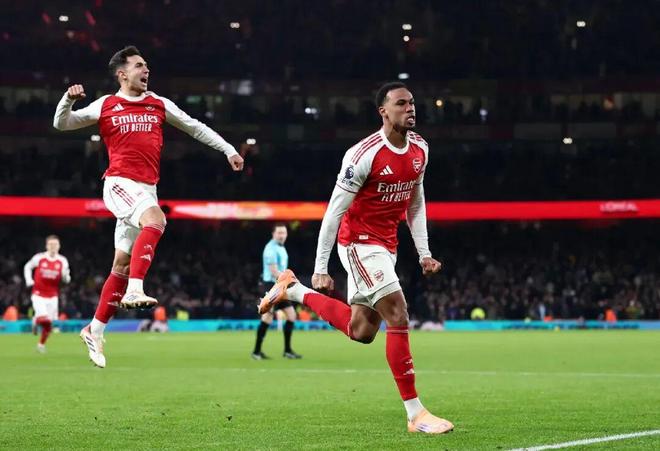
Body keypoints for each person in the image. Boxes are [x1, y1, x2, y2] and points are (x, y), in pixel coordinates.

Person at [258, 82, 453, 434]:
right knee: (398, 312)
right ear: (383, 111)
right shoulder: (363, 154)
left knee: (362, 331)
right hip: (358, 243)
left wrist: (424, 252)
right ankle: (416, 414)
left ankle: (293, 290)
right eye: (401, 103)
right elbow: (334, 212)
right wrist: (321, 267)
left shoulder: (420, 149)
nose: (410, 108)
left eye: (412, 103)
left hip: (387, 246)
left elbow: (415, 202)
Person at [52, 45, 243, 368]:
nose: (146, 70)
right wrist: (67, 100)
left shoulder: (158, 103)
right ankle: (135, 290)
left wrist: (228, 149)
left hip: (147, 189)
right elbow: (62, 123)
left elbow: (194, 126)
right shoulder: (106, 105)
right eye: (139, 65)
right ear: (122, 74)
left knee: (121, 266)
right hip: (119, 183)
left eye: (146, 65)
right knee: (156, 220)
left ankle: (94, 329)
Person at [252, 223, 302, 360]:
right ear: (273, 234)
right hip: (271, 286)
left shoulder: (281, 247)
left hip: (280, 285)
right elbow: (274, 271)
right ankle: (256, 352)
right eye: (279, 233)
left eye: (284, 233)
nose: (282, 235)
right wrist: (290, 280)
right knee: (267, 317)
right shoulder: (270, 249)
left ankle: (287, 351)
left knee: (291, 315)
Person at [23, 235, 71, 353]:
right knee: (45, 320)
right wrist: (29, 280)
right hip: (38, 294)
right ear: (46, 246)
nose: (53, 246)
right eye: (51, 244)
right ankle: (36, 320)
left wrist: (66, 277)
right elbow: (27, 266)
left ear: (59, 246)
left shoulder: (62, 261)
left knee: (48, 324)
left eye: (55, 244)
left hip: (53, 296)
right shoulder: (39, 258)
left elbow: (66, 278)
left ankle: (41, 345)